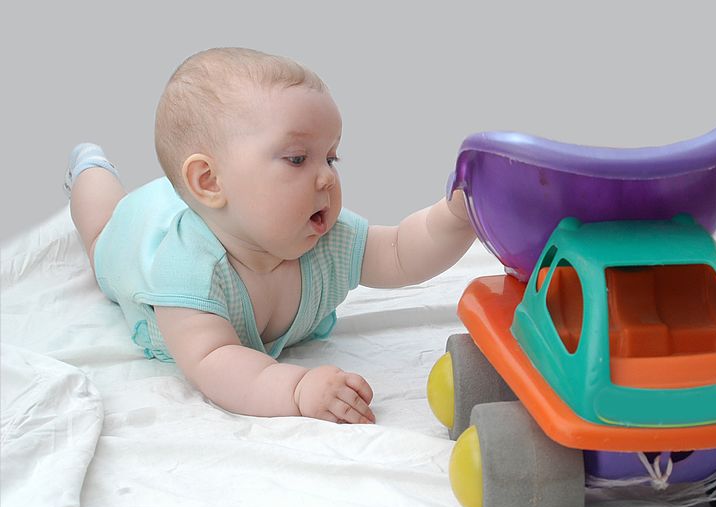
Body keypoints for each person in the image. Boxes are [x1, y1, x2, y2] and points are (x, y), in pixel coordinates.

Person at [64, 47, 474, 425]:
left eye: (331, 156)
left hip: (198, 207)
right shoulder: (186, 270)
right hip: (138, 229)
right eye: (298, 158)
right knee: (100, 228)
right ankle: (91, 168)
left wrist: (457, 215)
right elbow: (215, 360)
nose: (328, 176)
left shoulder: (325, 235)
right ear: (209, 181)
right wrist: (296, 389)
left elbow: (402, 252)